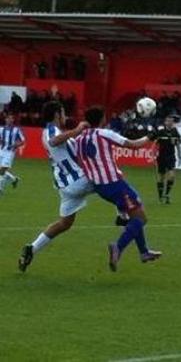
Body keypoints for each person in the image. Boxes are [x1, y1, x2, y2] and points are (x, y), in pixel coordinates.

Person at [18, 102, 129, 272]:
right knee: (113, 175)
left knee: (65, 223)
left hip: (66, 186)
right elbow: (54, 141)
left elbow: (68, 147)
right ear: (56, 114)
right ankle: (122, 214)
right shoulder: (51, 130)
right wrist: (77, 130)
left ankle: (31, 249)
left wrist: (80, 135)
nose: (65, 116)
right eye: (63, 112)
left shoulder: (55, 131)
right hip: (77, 180)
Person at [74, 107, 162, 272]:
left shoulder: (79, 139)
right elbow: (133, 145)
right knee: (141, 218)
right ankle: (118, 247)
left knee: (132, 216)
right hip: (114, 183)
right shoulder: (104, 133)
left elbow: (80, 162)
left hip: (99, 187)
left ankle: (144, 252)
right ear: (102, 119)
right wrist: (150, 136)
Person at [154, 115, 181, 204]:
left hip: (171, 157)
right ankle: (160, 196)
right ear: (165, 122)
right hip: (161, 157)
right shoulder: (161, 132)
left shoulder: (175, 132)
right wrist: (153, 154)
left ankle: (166, 194)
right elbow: (155, 144)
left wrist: (179, 155)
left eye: (171, 121)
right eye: (168, 121)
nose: (170, 123)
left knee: (172, 176)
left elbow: (178, 144)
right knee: (161, 177)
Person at [0, 114, 25, 195]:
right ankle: (14, 179)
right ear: (5, 119)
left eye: (11, 118)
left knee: (2, 169)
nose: (10, 120)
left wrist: (15, 145)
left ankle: (1, 188)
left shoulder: (16, 130)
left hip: (10, 152)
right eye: (8, 118)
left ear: (13, 120)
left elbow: (22, 141)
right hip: (1, 151)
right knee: (1, 170)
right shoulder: (1, 129)